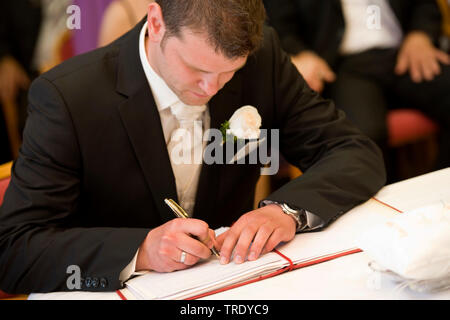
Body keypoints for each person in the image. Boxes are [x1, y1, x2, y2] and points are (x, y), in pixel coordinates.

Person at [0, 0, 385, 294]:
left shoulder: (263, 57)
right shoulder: (69, 97)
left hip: (236, 287)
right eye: (198, 70)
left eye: (229, 73)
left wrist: (284, 211)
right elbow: (15, 249)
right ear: (156, 23)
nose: (212, 89)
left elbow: (352, 150)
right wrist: (142, 250)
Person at [263, 0, 450, 180]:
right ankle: (387, 207)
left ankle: (438, 192)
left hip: (404, 53)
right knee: (363, 140)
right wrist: (300, 54)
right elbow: (278, 23)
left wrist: (420, 34)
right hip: (343, 66)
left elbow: (425, 5)